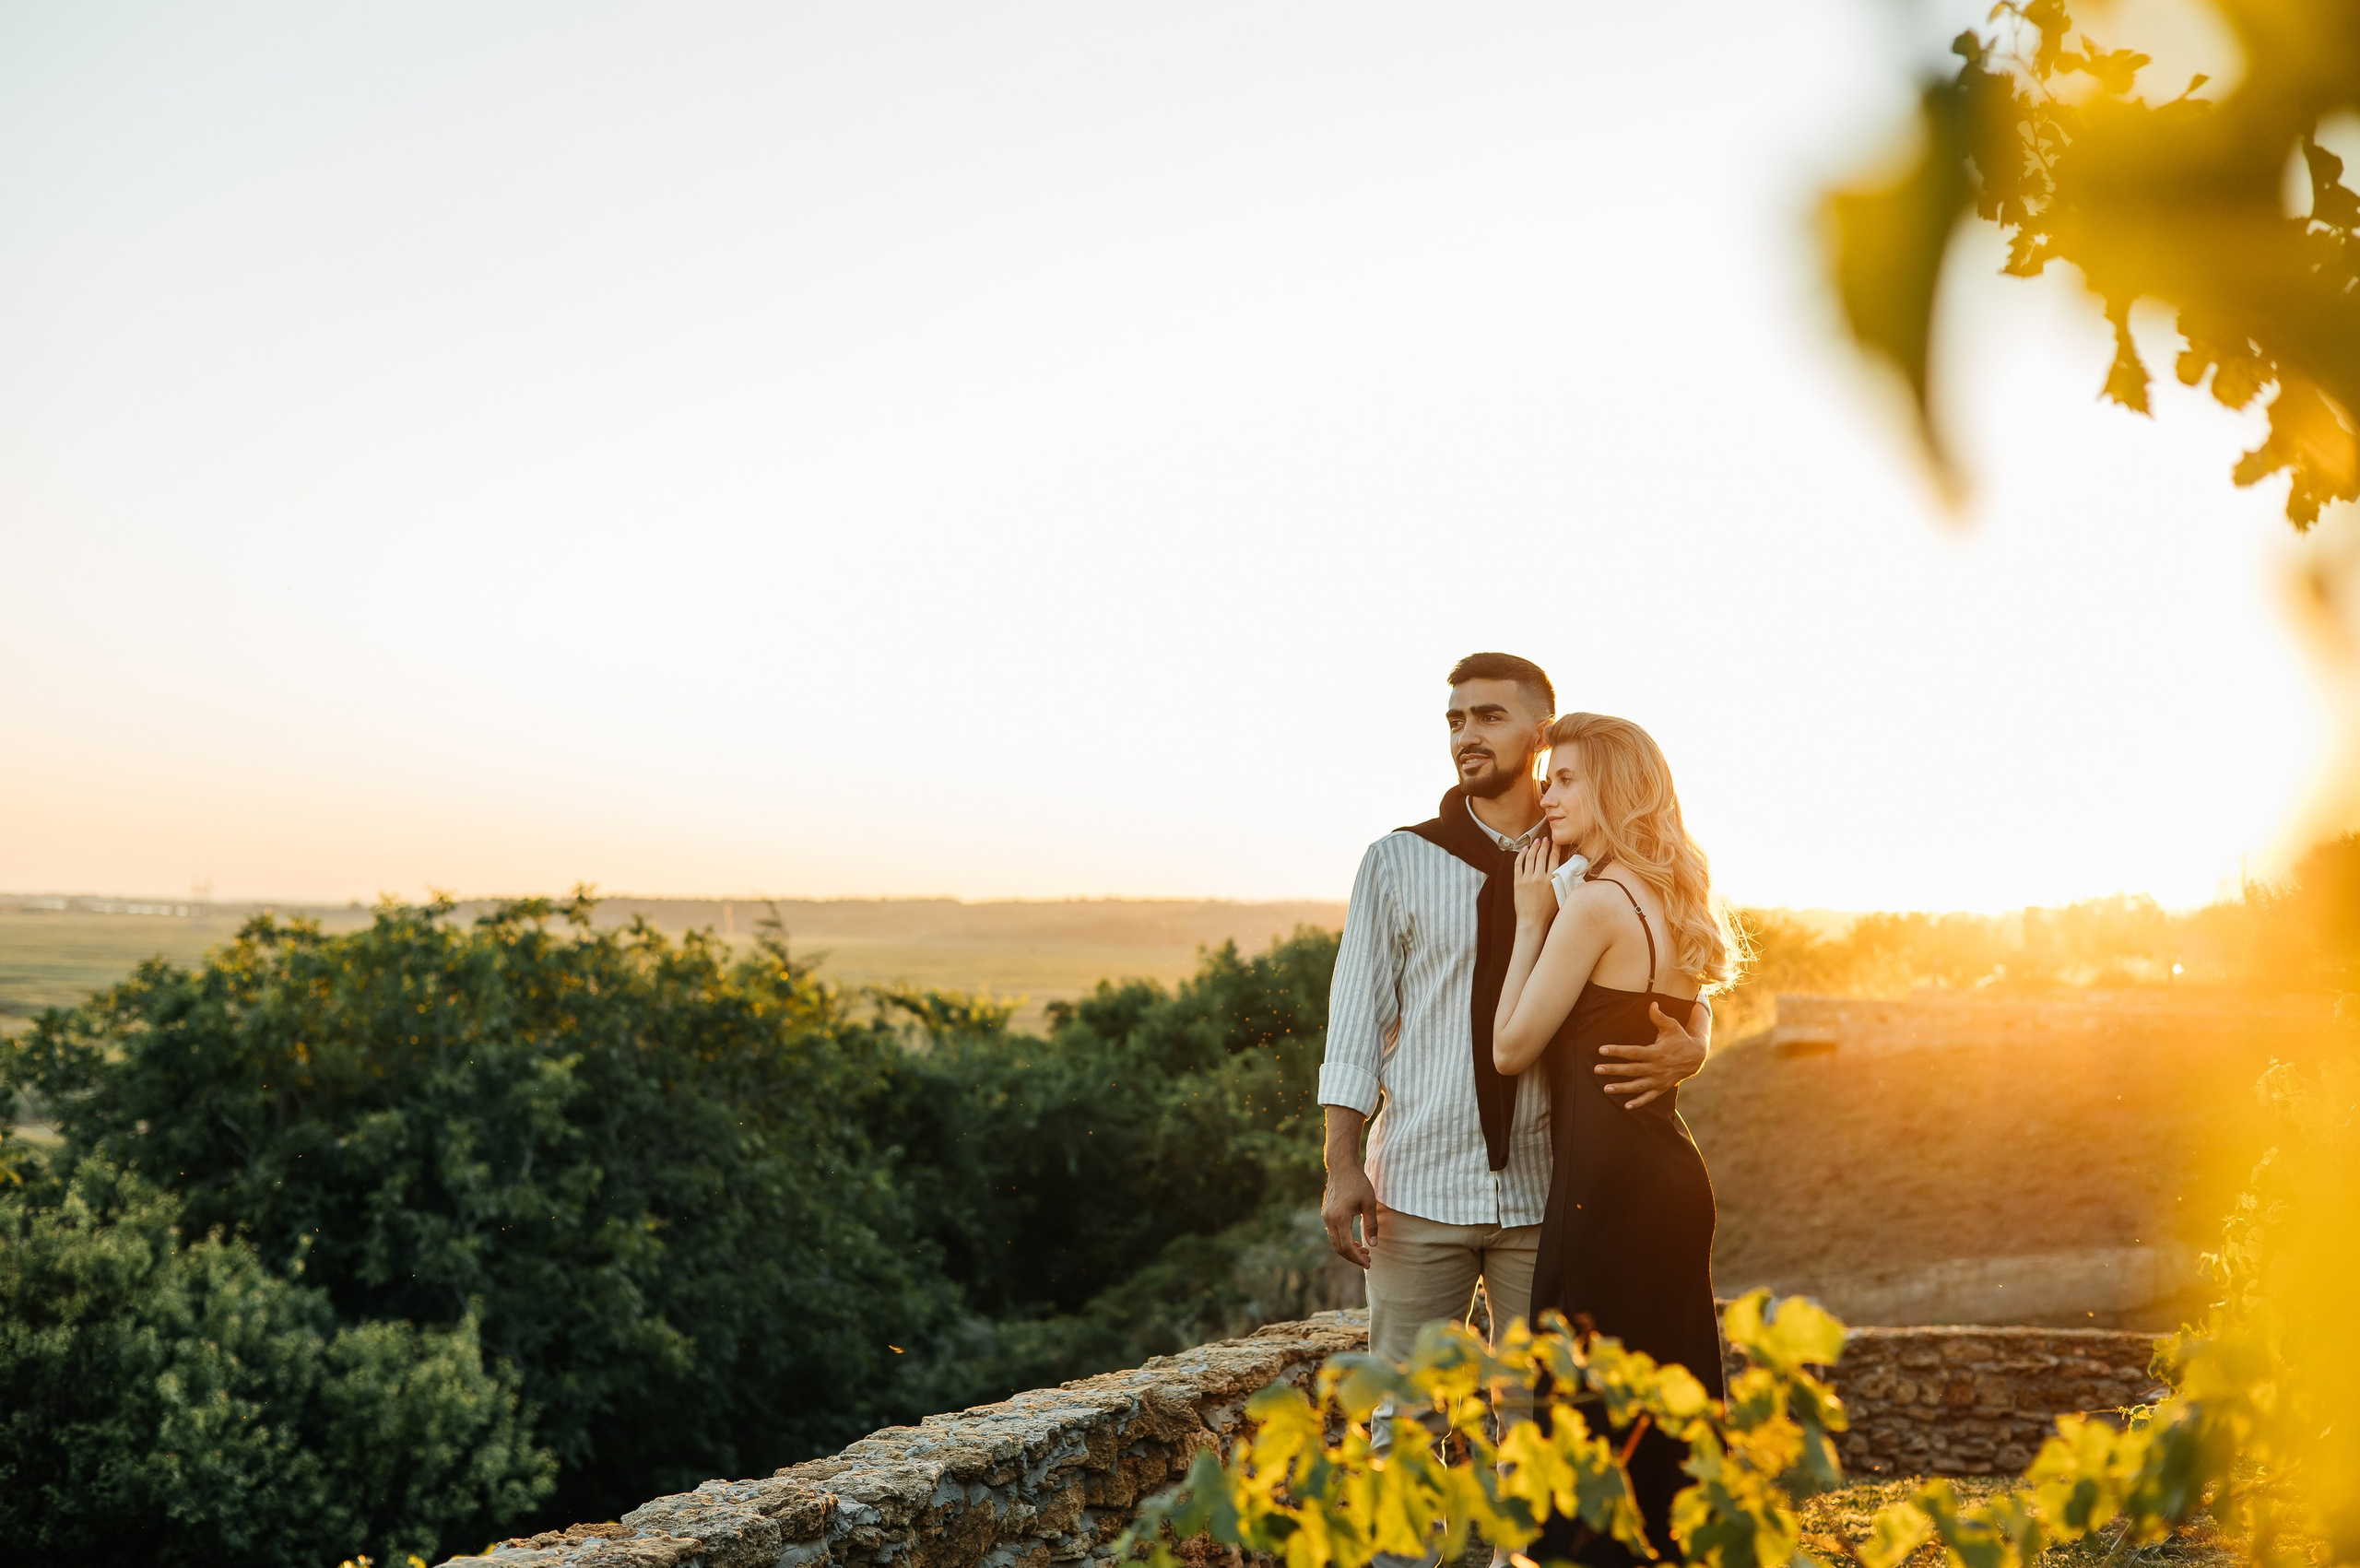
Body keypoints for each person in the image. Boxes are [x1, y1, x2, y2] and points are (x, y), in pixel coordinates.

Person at [1318, 655, 1714, 1404]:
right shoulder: (1397, 861)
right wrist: (1342, 1164)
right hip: (1418, 1185)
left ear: (1540, 736)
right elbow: (1353, 1023)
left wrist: (1697, 1038)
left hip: (1548, 1194)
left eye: (1490, 716)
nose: (1467, 734)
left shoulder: (1592, 859)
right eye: (1456, 720)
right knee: (1402, 1421)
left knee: (1537, 1432)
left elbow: (1670, 963)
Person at [1493, 712, 1743, 1566]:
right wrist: (1698, 1035)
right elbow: (1685, 1004)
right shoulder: (1666, 892)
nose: (1548, 793)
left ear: (1611, 788)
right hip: (1667, 1175)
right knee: (1664, 1392)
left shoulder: (1597, 901)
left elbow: (1510, 1047)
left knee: (1592, 1399)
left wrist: (1532, 918)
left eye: (1564, 778)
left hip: (1606, 1186)